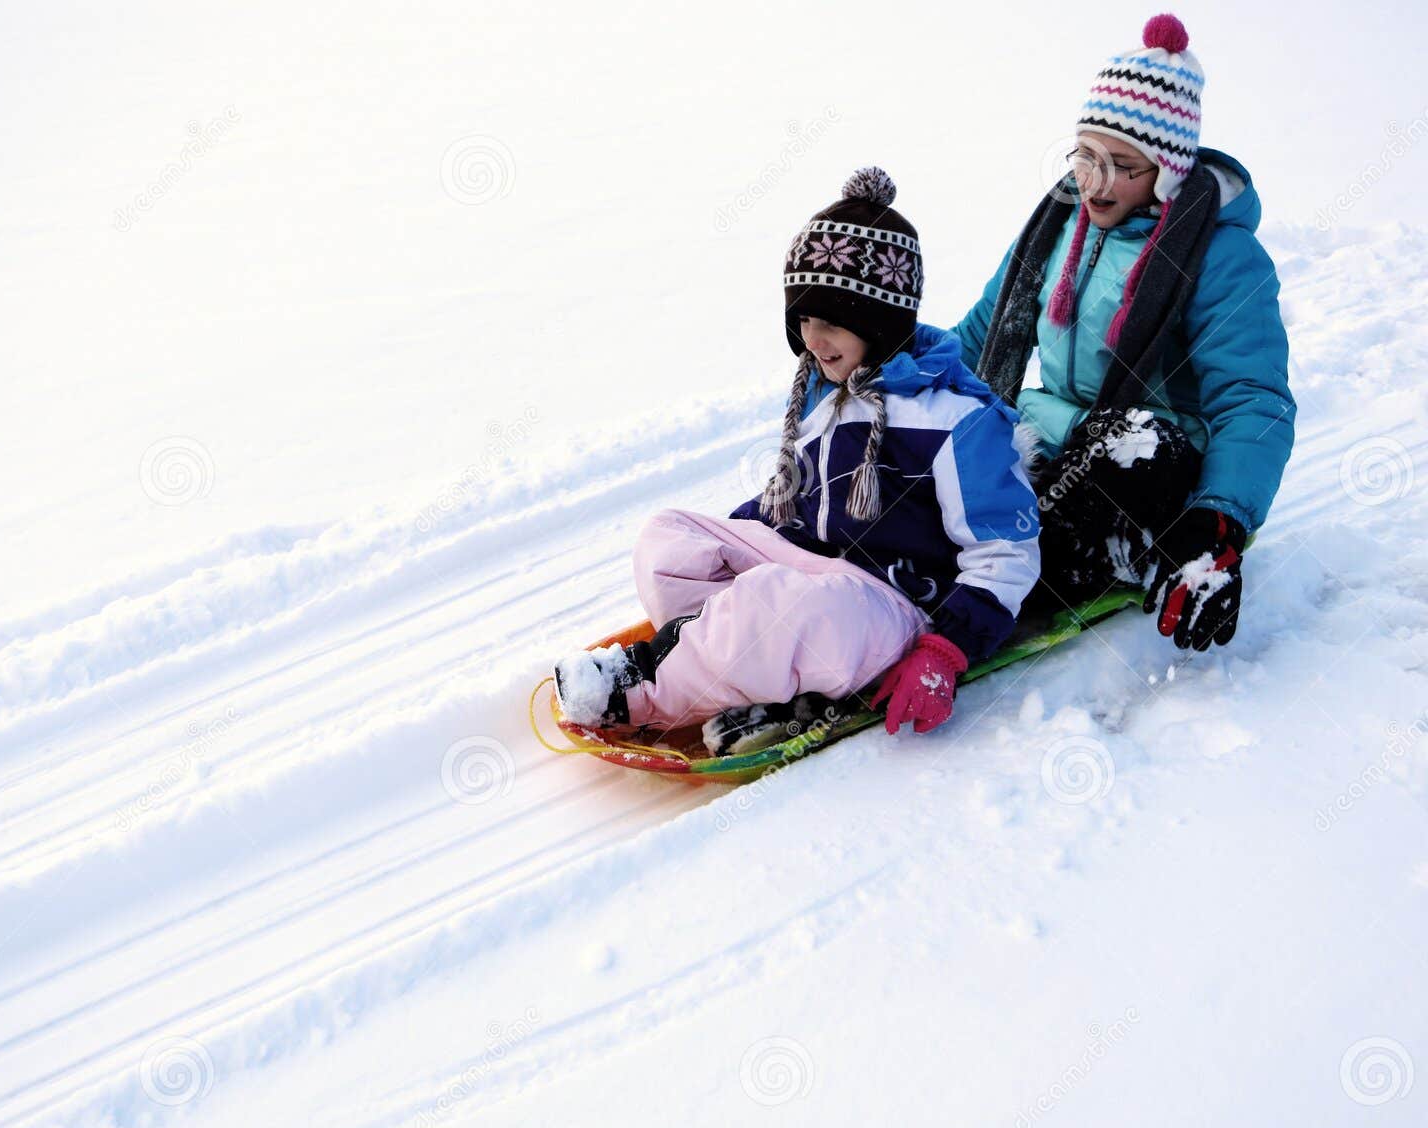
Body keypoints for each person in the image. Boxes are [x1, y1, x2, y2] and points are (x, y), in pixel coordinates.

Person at [552, 166, 1040, 754]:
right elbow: (796, 495)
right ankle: (730, 656)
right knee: (670, 539)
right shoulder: (825, 391)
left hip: (896, 610)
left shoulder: (958, 421)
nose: (812, 338)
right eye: (803, 319)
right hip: (813, 576)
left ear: (879, 320)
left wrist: (945, 650)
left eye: (831, 322)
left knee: (777, 606)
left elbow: (1007, 556)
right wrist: (737, 541)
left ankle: (640, 695)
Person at [950, 12, 1295, 650]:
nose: (1094, 181)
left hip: (1154, 469)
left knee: (1123, 441)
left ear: (1165, 173)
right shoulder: (1055, 229)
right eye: (1086, 157)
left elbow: (1254, 399)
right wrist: (888, 371)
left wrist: (1219, 520)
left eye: (1122, 166)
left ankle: (1001, 584)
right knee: (962, 445)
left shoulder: (1221, 257)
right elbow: (975, 340)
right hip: (1057, 441)